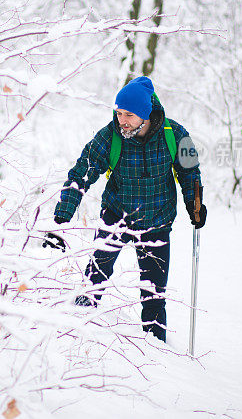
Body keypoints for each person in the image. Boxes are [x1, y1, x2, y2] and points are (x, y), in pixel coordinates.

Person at [45, 76, 206, 342]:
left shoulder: (175, 134)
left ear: (145, 113)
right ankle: (77, 338)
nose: (122, 120)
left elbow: (191, 172)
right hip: (116, 216)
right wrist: (63, 214)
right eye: (119, 113)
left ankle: (157, 354)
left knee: (153, 295)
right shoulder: (110, 136)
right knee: (94, 280)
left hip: (157, 221)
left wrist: (195, 204)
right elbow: (81, 172)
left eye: (129, 114)